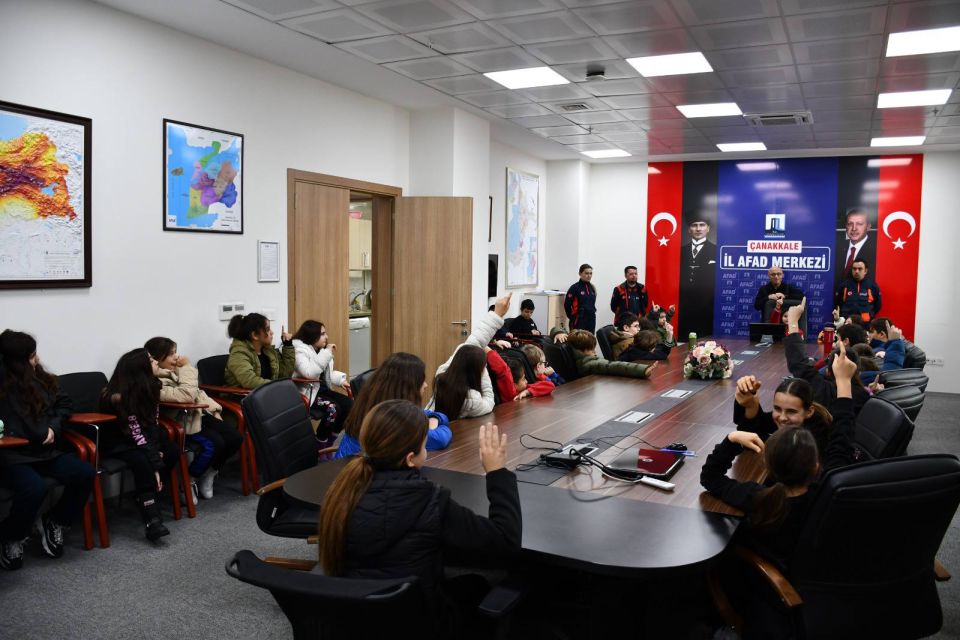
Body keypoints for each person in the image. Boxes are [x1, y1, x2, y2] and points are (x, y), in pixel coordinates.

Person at [317, 400, 521, 629]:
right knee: (477, 584)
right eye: (424, 447)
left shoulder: (341, 492)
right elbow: (506, 540)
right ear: (410, 459)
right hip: (420, 625)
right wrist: (497, 472)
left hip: (351, 620)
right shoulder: (430, 501)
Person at [700, 345, 857, 633]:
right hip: (821, 584)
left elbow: (710, 477)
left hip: (763, 588)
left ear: (769, 465)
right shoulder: (829, 487)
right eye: (778, 410)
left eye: (791, 412)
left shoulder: (759, 497)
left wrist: (731, 439)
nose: (782, 418)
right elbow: (842, 440)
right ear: (815, 465)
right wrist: (844, 383)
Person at [0, 330, 95, 570]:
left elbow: (64, 403)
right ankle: (11, 536)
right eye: (33, 356)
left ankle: (55, 520)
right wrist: (39, 432)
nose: (38, 359)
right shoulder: (4, 386)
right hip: (13, 456)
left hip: (45, 452)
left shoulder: (41, 378)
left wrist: (53, 427)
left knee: (84, 473)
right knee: (34, 488)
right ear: (18, 361)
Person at [144, 337, 243, 500]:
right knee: (214, 444)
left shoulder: (174, 372)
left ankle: (210, 472)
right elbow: (186, 395)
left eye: (175, 353)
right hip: (182, 422)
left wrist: (215, 409)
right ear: (157, 359)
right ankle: (189, 479)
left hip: (199, 415)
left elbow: (198, 393)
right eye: (171, 354)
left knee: (235, 437)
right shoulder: (154, 383)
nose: (176, 357)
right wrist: (186, 367)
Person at [100, 349, 180, 541]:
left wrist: (157, 453)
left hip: (139, 437)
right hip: (118, 442)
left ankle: (146, 495)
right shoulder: (119, 397)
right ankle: (152, 520)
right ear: (141, 370)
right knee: (143, 461)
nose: (156, 362)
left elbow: (152, 424)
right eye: (151, 360)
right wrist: (155, 463)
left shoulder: (150, 386)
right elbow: (135, 433)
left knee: (171, 450)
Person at [334, 352, 450, 460]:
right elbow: (440, 439)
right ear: (408, 387)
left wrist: (435, 417)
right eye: (422, 381)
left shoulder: (376, 403)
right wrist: (434, 424)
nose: (426, 385)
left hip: (346, 468)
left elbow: (435, 415)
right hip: (358, 472)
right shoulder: (394, 419)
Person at [428, 293, 510, 419]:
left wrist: (496, 314)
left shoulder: (441, 375)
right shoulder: (472, 401)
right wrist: (482, 367)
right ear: (476, 372)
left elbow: (472, 343)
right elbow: (489, 400)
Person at [783, 299, 870, 413]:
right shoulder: (864, 395)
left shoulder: (826, 391)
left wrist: (793, 321)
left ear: (828, 371)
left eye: (837, 339)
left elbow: (800, 366)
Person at [732, 375, 835, 459]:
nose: (782, 418)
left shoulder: (815, 441)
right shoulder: (796, 419)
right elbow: (759, 423)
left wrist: (751, 408)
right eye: (777, 408)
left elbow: (759, 446)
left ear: (809, 412)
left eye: (791, 411)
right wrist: (747, 396)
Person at [291, 320, 353, 444]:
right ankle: (320, 441)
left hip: (321, 389)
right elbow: (309, 373)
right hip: (307, 393)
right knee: (333, 409)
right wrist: (326, 353)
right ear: (312, 335)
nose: (327, 337)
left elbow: (327, 373)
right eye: (322, 334)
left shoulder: (321, 350)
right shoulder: (299, 350)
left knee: (349, 405)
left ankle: (330, 442)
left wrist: (341, 380)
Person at [223, 313, 295, 389]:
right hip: (243, 395)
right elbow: (250, 381)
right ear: (255, 335)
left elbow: (284, 375)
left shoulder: (268, 351)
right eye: (267, 329)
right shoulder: (238, 354)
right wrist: (277, 386)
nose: (272, 332)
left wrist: (288, 345)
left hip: (267, 392)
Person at [679, 218, 716, 337]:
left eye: (702, 225)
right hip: (684, 306)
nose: (698, 229)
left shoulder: (716, 250)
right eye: (694, 225)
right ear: (689, 229)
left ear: (708, 228)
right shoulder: (680, 251)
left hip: (706, 306)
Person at [566, 330, 656, 379]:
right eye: (591, 349)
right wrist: (643, 370)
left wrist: (559, 333)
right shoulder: (589, 363)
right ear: (583, 350)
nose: (595, 352)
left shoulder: (576, 354)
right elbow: (616, 366)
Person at [486, 349, 555, 402]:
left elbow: (550, 385)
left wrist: (527, 392)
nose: (526, 381)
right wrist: (485, 347)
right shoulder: (510, 392)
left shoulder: (523, 389)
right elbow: (504, 370)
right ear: (514, 384)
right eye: (523, 378)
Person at [835, 207, 876, 283]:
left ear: (868, 227)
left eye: (859, 224)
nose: (854, 228)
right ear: (846, 226)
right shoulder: (837, 247)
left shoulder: (876, 250)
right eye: (850, 224)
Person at [834, 259, 881, 323]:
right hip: (848, 323)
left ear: (865, 271)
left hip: (865, 323)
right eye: (854, 269)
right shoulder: (844, 285)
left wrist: (870, 315)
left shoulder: (872, 286)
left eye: (860, 269)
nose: (856, 271)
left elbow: (878, 305)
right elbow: (838, 303)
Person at [564, 264, 597, 333]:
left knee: (590, 339)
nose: (589, 276)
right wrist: (573, 317)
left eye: (591, 273)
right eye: (586, 273)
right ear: (580, 274)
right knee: (577, 339)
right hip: (579, 319)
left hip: (591, 319)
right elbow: (567, 305)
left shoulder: (592, 288)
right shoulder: (574, 288)